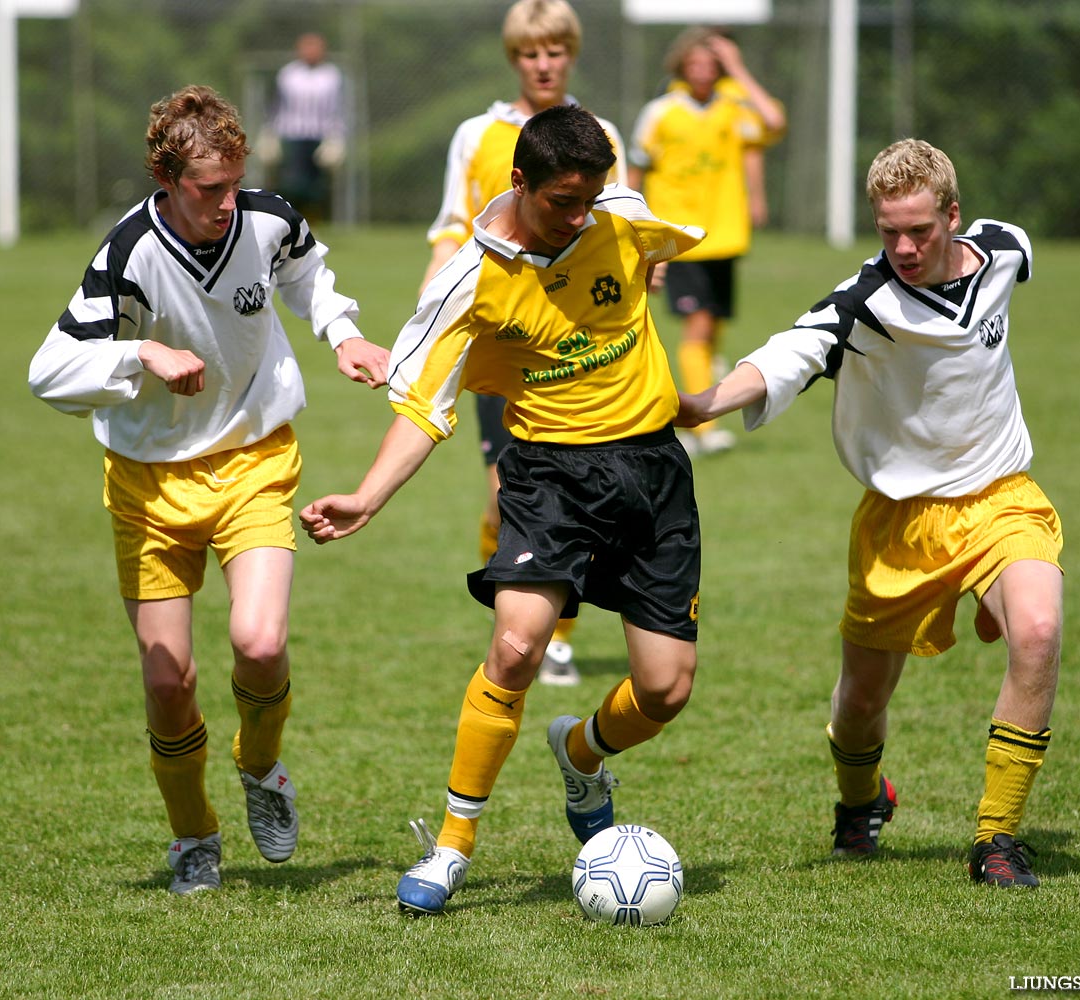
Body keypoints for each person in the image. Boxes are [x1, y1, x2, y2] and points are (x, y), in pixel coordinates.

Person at [301, 105, 706, 915]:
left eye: (590, 197)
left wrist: (651, 265)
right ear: (518, 183)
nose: (578, 215)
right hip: (550, 477)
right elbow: (423, 405)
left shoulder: (619, 219)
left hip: (654, 471)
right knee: (518, 646)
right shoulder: (469, 279)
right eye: (562, 200)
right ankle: (452, 845)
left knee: (665, 691)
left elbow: (662, 237)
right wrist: (367, 498)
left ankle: (582, 753)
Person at [27, 85, 389, 895]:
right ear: (165, 178)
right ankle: (193, 834)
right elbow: (46, 370)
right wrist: (138, 356)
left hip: (254, 459)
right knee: (169, 683)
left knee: (259, 642)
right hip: (149, 485)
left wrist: (344, 331)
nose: (226, 203)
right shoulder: (127, 253)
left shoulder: (266, 218)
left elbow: (308, 275)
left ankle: (260, 767)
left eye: (233, 183)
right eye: (206, 189)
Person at [678, 138, 1063, 888]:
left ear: (954, 215)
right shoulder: (865, 303)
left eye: (920, 229)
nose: (906, 246)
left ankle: (996, 840)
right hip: (900, 520)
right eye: (889, 231)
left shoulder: (1005, 251)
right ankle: (860, 803)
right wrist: (699, 405)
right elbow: (783, 354)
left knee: (1041, 631)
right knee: (859, 705)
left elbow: (1014, 253)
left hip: (1000, 498)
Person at [421, 0, 629, 685]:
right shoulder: (478, 134)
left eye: (555, 51)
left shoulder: (599, 134)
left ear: (571, 53)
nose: (544, 64)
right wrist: (432, 301)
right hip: (503, 341)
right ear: (515, 59)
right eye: (531, 54)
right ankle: (516, 619)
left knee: (574, 501)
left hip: (576, 347)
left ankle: (558, 637)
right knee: (503, 495)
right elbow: (454, 223)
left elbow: (625, 227)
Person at [629, 27, 785, 458]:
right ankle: (702, 426)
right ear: (681, 66)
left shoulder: (732, 107)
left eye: (711, 64)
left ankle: (699, 405)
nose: (703, 71)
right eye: (695, 63)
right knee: (697, 327)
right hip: (682, 238)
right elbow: (637, 168)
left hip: (724, 234)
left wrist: (738, 68)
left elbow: (773, 121)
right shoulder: (661, 112)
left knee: (712, 324)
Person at [271, 32, 345, 223]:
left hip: (320, 134)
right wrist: (271, 133)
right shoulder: (289, 74)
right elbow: (278, 105)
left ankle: (313, 221)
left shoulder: (331, 75)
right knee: (294, 180)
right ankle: (291, 218)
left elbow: (337, 108)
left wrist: (337, 137)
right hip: (293, 133)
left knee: (317, 183)